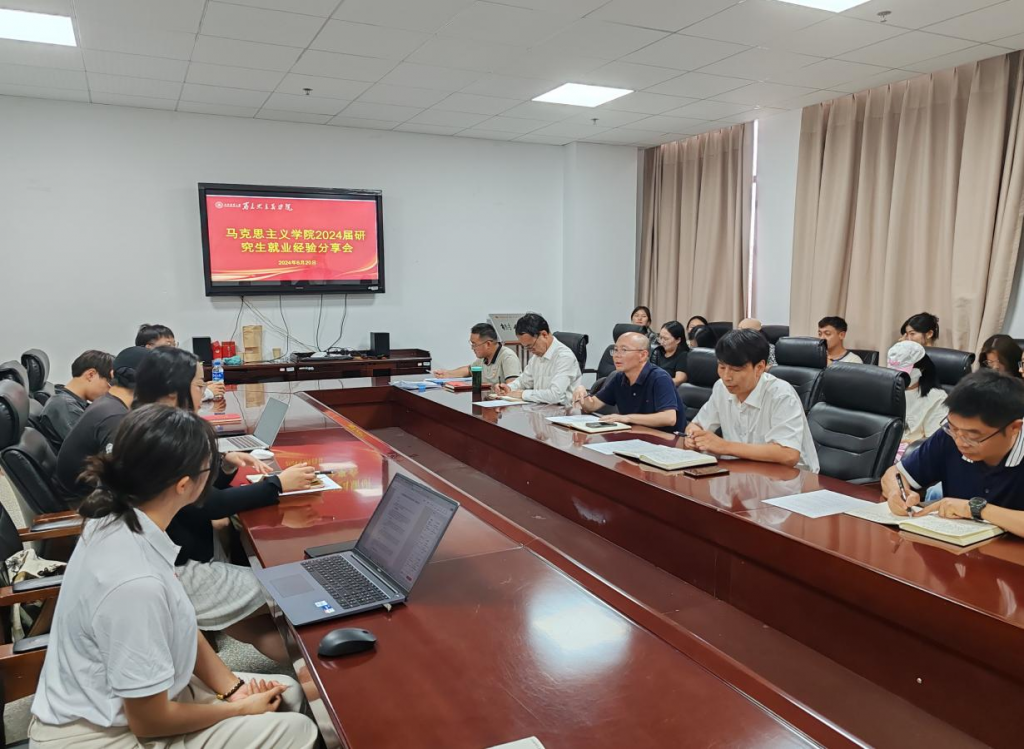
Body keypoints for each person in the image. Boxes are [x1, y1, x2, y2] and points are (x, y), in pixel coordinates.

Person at [29, 405, 318, 749]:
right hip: (104, 735)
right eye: (209, 470)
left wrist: (234, 690)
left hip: (137, 701)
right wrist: (237, 710)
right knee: (298, 730)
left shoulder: (117, 516)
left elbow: (180, 620)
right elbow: (150, 721)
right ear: (184, 486)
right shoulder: (135, 584)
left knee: (290, 695)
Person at [123, 346, 317, 662]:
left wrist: (223, 466)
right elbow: (205, 503)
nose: (204, 393)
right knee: (297, 586)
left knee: (260, 628)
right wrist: (277, 484)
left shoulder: (142, 423)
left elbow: (193, 495)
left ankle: (316, 668)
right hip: (180, 569)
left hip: (172, 559)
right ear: (172, 391)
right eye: (199, 385)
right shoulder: (164, 433)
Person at [881, 370, 1024, 538]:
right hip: (956, 547)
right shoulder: (949, 437)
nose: (960, 442)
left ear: (1014, 428)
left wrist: (975, 509)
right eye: (953, 428)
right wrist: (897, 493)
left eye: (973, 436)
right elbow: (894, 474)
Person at [683, 329, 819, 472]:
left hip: (790, 478)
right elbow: (697, 425)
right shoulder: (721, 388)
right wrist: (693, 436)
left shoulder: (781, 395)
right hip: (743, 472)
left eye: (736, 370)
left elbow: (788, 454)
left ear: (759, 367)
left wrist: (724, 446)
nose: (726, 377)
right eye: (722, 367)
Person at [55, 346, 148, 500]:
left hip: (83, 490)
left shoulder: (106, 402)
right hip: (86, 501)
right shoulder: (115, 417)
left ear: (113, 374)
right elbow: (118, 481)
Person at [572, 331, 686, 433]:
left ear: (643, 355)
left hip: (666, 440)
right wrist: (582, 392)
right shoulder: (619, 377)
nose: (616, 355)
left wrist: (627, 418)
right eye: (615, 350)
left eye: (624, 350)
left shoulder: (659, 378)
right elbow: (592, 405)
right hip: (634, 435)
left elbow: (669, 418)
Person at [493, 313, 581, 406]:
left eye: (530, 346)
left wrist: (522, 394)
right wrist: (509, 388)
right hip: (541, 409)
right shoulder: (537, 357)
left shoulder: (564, 357)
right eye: (525, 347)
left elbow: (555, 395)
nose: (530, 351)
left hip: (563, 411)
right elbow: (523, 381)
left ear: (544, 334)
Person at [36, 350, 114, 453]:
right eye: (110, 384)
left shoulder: (68, 399)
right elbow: (92, 451)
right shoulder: (65, 407)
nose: (111, 390)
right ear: (91, 375)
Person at [886, 341, 947, 451]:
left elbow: (935, 441)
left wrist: (906, 444)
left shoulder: (936, 397)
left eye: (902, 372)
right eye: (893, 371)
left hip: (911, 452)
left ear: (921, 369)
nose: (897, 376)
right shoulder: (884, 390)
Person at [140, 322, 225, 400]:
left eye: (174, 344)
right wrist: (207, 392)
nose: (174, 349)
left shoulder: (168, 368)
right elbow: (171, 402)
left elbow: (180, 390)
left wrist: (201, 388)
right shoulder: (146, 372)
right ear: (149, 347)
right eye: (169, 344)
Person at [432, 322, 522, 385]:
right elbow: (468, 370)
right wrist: (447, 374)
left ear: (488, 344)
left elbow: (512, 387)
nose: (472, 348)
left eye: (474, 344)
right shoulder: (483, 359)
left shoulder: (508, 357)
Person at [651, 321, 688, 385]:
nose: (662, 342)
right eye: (660, 338)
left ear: (678, 340)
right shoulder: (657, 352)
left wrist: (657, 383)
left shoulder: (683, 355)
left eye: (666, 339)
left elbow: (679, 379)